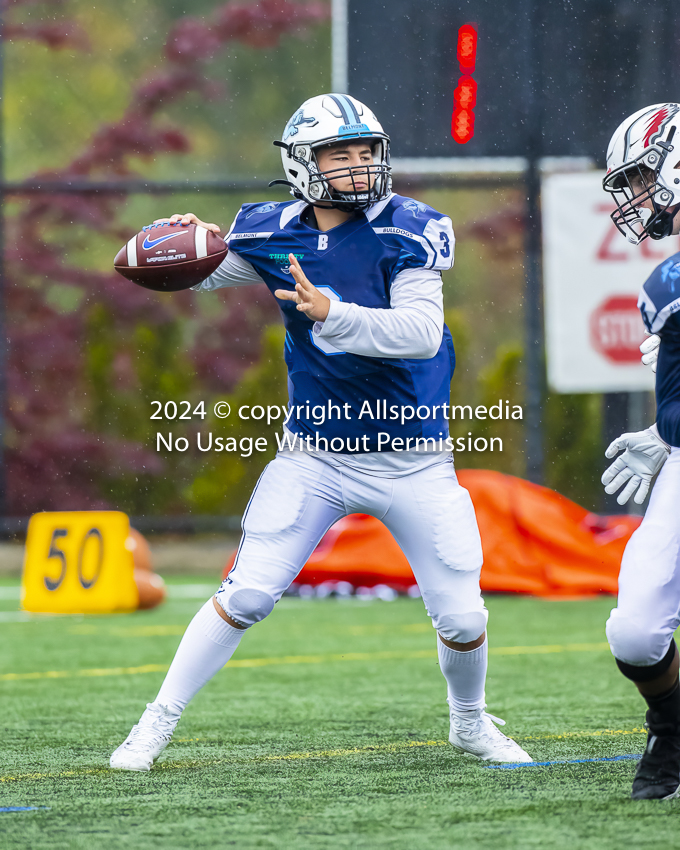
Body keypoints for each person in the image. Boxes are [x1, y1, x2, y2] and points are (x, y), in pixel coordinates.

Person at [110, 93, 532, 771]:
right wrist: (187, 241)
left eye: (368, 151)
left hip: (413, 459)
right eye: (342, 153)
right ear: (305, 164)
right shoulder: (270, 229)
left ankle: (470, 722)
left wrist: (332, 311)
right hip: (316, 457)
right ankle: (154, 723)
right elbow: (203, 273)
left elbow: (421, 337)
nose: (361, 165)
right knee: (245, 594)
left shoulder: (412, 228)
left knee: (463, 618)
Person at [601, 102, 680, 799]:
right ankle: (671, 722)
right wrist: (664, 435)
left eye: (642, 177)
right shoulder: (666, 285)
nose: (635, 198)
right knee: (634, 630)